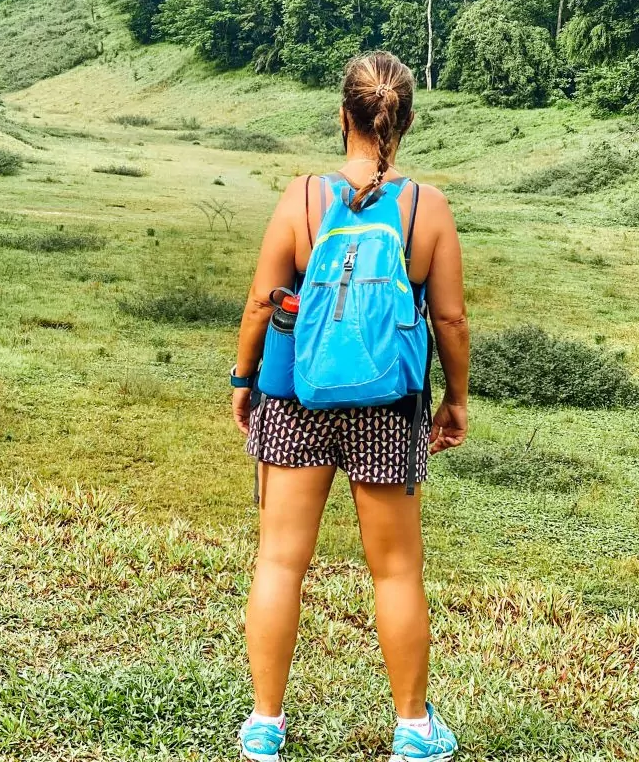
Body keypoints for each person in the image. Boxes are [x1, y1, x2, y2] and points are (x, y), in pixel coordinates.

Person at [231, 51, 469, 762]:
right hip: (390, 405)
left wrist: (243, 380)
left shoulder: (303, 197)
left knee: (280, 562)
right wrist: (455, 399)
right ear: (406, 120)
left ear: (344, 116)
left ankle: (265, 725)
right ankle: (414, 730)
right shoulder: (427, 208)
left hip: (296, 398)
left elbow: (261, 301)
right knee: (395, 570)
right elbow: (450, 320)